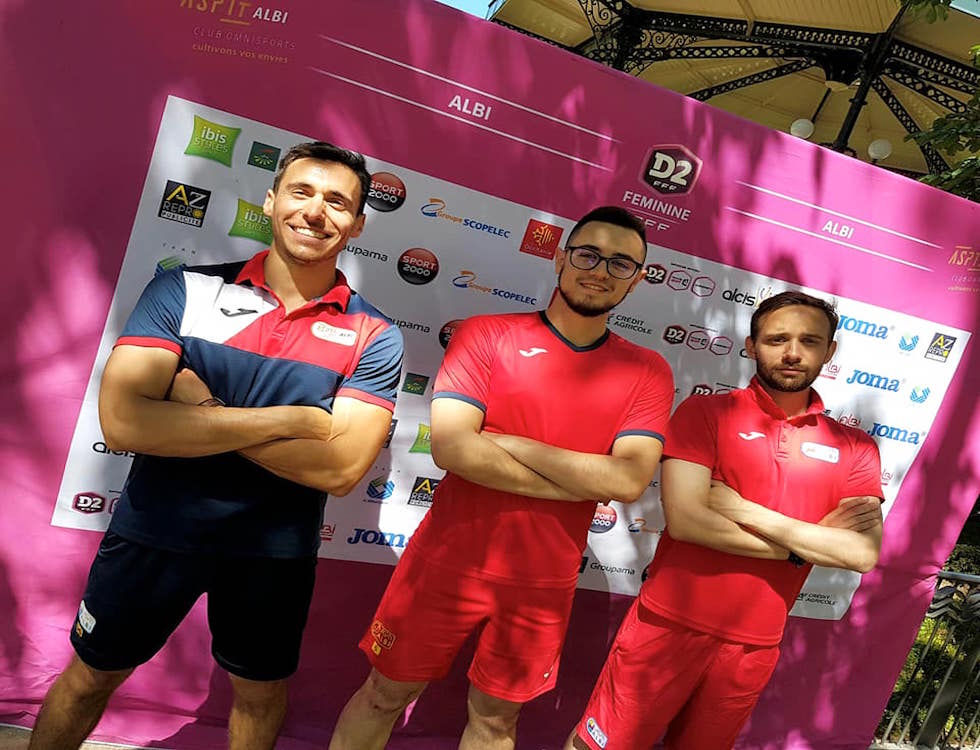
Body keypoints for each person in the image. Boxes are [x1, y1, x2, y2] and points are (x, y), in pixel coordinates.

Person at [30, 142, 404, 750]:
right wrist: (294, 420)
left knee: (259, 695)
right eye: (302, 192)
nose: (316, 211)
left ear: (358, 224)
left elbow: (338, 469)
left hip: (273, 555)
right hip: (154, 531)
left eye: (338, 202)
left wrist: (200, 408)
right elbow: (124, 423)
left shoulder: (376, 334)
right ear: (271, 201)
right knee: (90, 678)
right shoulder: (183, 290)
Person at [329, 206, 675, 750]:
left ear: (636, 279)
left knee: (495, 724)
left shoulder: (647, 370)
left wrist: (508, 443)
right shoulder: (486, 334)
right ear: (560, 258)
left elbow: (629, 481)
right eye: (588, 254)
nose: (600, 271)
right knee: (381, 696)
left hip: (542, 585)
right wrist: (581, 479)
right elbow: (453, 448)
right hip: (444, 564)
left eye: (620, 263)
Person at [567, 290, 884, 750]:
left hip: (755, 645)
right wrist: (808, 544)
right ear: (751, 346)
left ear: (829, 351)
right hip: (666, 626)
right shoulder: (706, 413)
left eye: (809, 341)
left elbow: (861, 553)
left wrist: (742, 509)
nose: (792, 353)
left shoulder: (856, 448)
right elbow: (688, 521)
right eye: (776, 339)